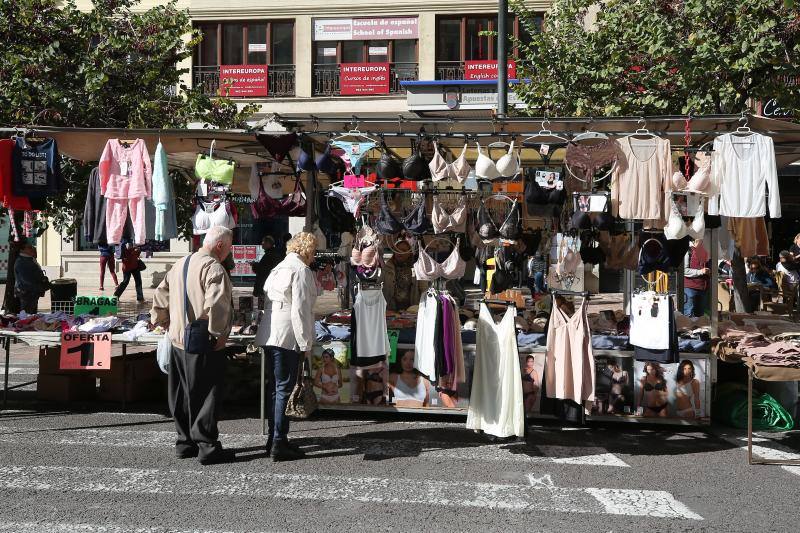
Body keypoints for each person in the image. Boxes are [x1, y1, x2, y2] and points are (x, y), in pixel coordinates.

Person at [150, 225, 234, 465]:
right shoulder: (213, 267)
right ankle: (207, 446)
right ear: (220, 246)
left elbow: (160, 294)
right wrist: (218, 333)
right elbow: (217, 303)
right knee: (207, 392)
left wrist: (162, 321)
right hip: (200, 337)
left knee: (181, 391)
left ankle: (184, 441)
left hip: (177, 337)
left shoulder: (182, 262)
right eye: (228, 249)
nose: (228, 253)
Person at [255, 232, 319, 461]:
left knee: (275, 389)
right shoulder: (301, 270)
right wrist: (305, 343)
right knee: (284, 389)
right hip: (287, 335)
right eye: (313, 252)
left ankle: (273, 438)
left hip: (270, 333)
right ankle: (279, 443)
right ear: (307, 251)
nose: (313, 257)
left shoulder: (279, 267)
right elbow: (300, 310)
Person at [383, 239, 424, 311]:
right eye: (397, 250)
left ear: (409, 253)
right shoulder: (387, 268)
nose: (399, 252)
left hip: (411, 309)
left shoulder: (416, 268)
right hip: (391, 309)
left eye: (403, 250)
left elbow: (424, 289)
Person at [14, 244, 49, 314]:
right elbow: (26, 280)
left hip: (31, 293)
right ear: (22, 250)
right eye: (29, 248)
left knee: (31, 314)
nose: (32, 249)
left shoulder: (29, 259)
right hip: (27, 293)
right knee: (27, 315)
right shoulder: (22, 262)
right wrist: (41, 286)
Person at [683, 239, 710, 317]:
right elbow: (684, 271)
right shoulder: (688, 250)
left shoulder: (706, 250)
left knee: (699, 316)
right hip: (690, 289)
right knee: (688, 315)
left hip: (703, 288)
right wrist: (700, 272)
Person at [776, 250, 799, 315]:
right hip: (786, 285)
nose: (780, 259)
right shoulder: (779, 264)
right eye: (780, 257)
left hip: (792, 284)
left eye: (782, 257)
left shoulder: (794, 264)